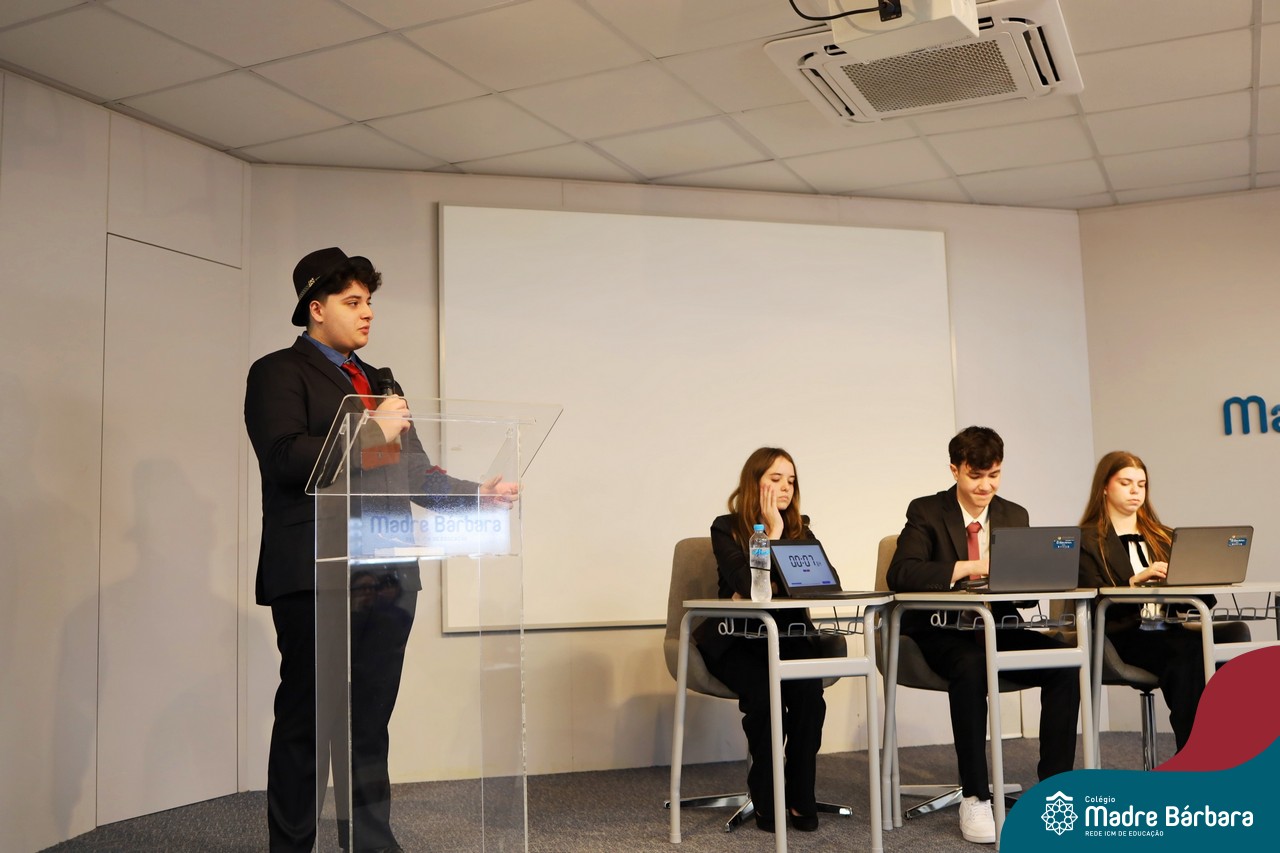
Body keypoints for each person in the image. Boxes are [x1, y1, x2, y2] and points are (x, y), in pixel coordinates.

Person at [245, 247, 515, 853]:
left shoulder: (381, 383)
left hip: (388, 569)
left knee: (369, 722)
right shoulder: (277, 373)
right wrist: (371, 432)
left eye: (369, 301)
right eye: (352, 302)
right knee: (308, 722)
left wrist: (478, 497)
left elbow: (414, 473)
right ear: (315, 309)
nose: (367, 312)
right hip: (317, 573)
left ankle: (370, 844)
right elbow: (286, 458)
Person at [886, 426, 1078, 845]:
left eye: (994, 475)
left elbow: (1025, 592)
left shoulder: (1014, 514)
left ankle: (1055, 791)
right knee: (972, 666)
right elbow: (901, 573)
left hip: (999, 625)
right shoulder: (926, 511)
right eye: (975, 476)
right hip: (942, 629)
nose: (985, 486)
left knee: (1064, 663)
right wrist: (972, 568)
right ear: (954, 470)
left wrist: (1033, 575)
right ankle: (975, 795)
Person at [693, 447, 831, 833]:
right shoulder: (725, 528)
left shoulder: (802, 529)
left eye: (791, 481)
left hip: (789, 634)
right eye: (775, 479)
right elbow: (749, 585)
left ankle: (800, 794)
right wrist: (772, 535)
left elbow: (822, 582)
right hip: (736, 638)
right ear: (754, 483)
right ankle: (768, 796)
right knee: (765, 696)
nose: (786, 487)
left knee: (809, 697)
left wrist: (768, 582)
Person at [1077, 450, 1236, 752]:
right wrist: (1132, 583)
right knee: (1190, 653)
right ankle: (1196, 755)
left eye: (1141, 484)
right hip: (1121, 636)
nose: (1135, 491)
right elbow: (1089, 599)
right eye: (1125, 483)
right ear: (1104, 487)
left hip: (1170, 629)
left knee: (1226, 643)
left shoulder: (1164, 536)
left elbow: (1201, 600)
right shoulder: (1085, 540)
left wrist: (1195, 577)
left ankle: (1228, 748)